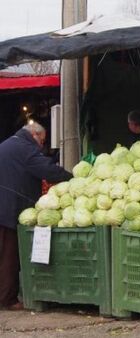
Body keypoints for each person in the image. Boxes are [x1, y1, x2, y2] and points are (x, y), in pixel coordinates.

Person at [0, 121, 72, 310]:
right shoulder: (25, 148)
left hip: (4, 205)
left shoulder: (8, 144)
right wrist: (72, 178)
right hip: (8, 209)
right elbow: (47, 170)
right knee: (9, 256)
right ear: (34, 135)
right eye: (42, 141)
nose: (42, 145)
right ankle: (7, 300)